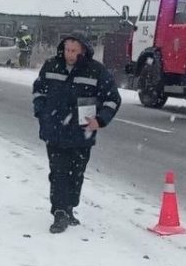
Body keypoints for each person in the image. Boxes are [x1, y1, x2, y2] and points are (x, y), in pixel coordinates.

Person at [32, 33, 121, 233]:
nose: (69, 55)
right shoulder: (51, 66)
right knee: (58, 173)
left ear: (82, 51)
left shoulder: (96, 71)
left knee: (76, 174)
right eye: (66, 50)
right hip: (54, 131)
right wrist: (42, 113)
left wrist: (100, 120)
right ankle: (59, 212)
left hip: (82, 134)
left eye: (73, 51)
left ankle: (70, 206)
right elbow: (38, 90)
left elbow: (112, 99)